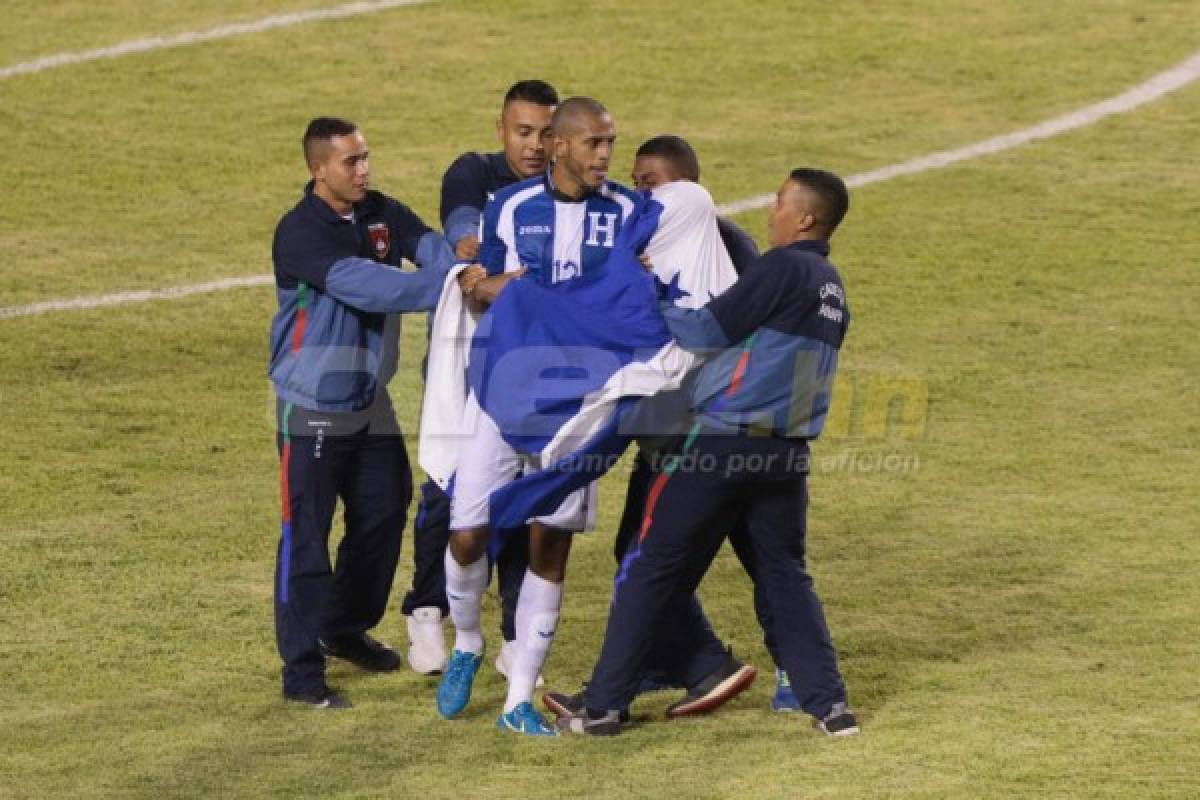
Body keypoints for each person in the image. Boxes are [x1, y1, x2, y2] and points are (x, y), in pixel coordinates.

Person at [549, 168, 860, 737]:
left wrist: (648, 293)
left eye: (781, 200)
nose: (772, 209)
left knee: (648, 568)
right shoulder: (834, 288)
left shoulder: (785, 265)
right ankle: (830, 706)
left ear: (806, 218)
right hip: (785, 459)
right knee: (785, 577)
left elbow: (704, 331)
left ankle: (605, 707)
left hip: (720, 448)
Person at [435, 97, 639, 736]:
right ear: (558, 145)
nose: (605, 155)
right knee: (467, 532)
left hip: (578, 412)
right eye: (594, 144)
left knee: (550, 545)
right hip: (505, 395)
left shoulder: (630, 215)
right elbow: (481, 291)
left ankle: (518, 699)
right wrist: (511, 290)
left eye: (610, 143)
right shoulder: (513, 208)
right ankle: (466, 642)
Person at [269, 116, 470, 709]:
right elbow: (373, 287)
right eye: (350, 162)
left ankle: (344, 625)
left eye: (365, 158)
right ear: (318, 170)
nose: (364, 170)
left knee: (383, 511)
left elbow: (425, 242)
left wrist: (449, 255)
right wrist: (457, 280)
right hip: (310, 406)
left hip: (368, 400)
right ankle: (301, 672)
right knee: (306, 538)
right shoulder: (300, 232)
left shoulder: (379, 210)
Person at [623, 134, 802, 713]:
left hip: (717, 435)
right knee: (662, 554)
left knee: (671, 556)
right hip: (691, 431)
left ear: (685, 187)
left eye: (648, 183)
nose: (637, 195)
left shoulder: (729, 248)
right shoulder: (655, 242)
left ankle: (715, 666)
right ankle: (672, 661)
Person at [402, 80, 559, 680]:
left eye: (547, 133)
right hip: (466, 367)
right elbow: (466, 235)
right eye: (524, 132)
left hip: (533, 374)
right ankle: (426, 608)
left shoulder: (566, 197)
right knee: (447, 490)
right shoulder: (474, 173)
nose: (535, 145)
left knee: (523, 499)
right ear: (502, 130)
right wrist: (486, 255)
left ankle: (516, 637)